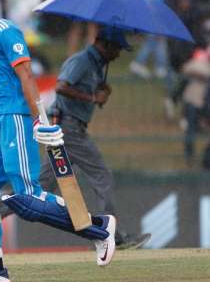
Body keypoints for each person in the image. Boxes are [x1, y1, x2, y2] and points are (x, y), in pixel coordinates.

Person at [0, 0, 116, 282]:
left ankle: (99, 228)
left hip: (15, 117)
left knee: (27, 197)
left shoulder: (6, 32)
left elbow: (26, 76)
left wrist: (39, 117)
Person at [38, 27, 151, 249]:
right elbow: (61, 87)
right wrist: (92, 96)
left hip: (68, 126)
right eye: (117, 48)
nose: (119, 54)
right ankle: (112, 236)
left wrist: (101, 93)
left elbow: (93, 96)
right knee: (102, 176)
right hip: (68, 127)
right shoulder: (82, 60)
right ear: (105, 44)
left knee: (41, 186)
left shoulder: (98, 66)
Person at [129, 0, 170, 82]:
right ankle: (140, 63)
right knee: (155, 38)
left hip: (156, 9)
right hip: (153, 10)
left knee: (157, 39)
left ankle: (160, 67)